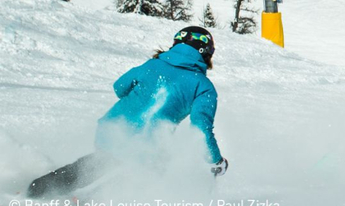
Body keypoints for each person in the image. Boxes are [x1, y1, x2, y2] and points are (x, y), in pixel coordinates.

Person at [28, 26, 227, 197]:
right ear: (207, 54)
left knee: (100, 164)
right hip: (149, 145)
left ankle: (37, 189)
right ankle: (91, 199)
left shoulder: (152, 65)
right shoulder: (204, 87)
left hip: (114, 129)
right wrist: (216, 161)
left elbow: (119, 87)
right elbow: (200, 130)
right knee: (146, 177)